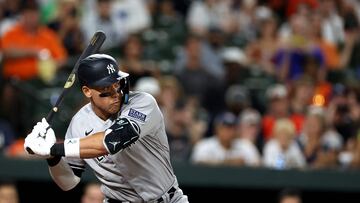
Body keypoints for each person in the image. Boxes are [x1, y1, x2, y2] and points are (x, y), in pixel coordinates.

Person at [23, 54, 189, 203]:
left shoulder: (143, 103)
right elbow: (68, 182)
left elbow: (112, 140)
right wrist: (52, 157)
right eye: (106, 89)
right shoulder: (79, 123)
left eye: (117, 85)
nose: (116, 94)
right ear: (87, 91)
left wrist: (55, 148)